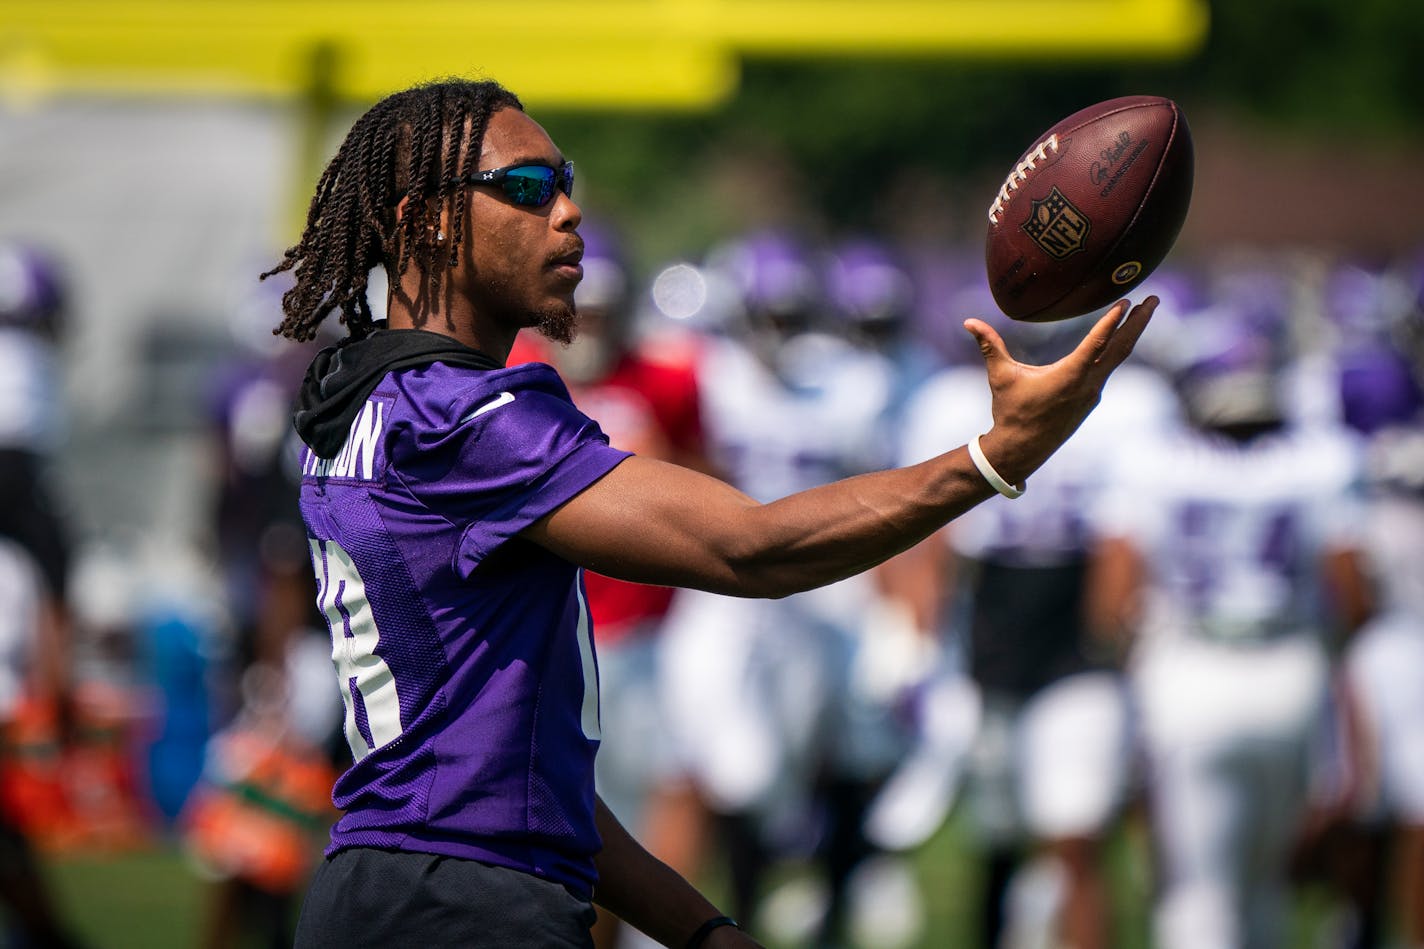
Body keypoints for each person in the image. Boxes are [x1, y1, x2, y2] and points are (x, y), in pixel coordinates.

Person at [260, 77, 1155, 949]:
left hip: (394, 886)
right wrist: (998, 455)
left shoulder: (376, 399)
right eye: (527, 190)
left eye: (565, 184)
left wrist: (703, 929)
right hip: (456, 908)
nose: (567, 213)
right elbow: (752, 549)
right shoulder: (460, 419)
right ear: (425, 220)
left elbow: (512, 784)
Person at [1085, 288, 1375, 949]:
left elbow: (1111, 601)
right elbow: (1354, 596)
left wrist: (1132, 664)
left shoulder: (1150, 460)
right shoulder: (1321, 460)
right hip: (1289, 669)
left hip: (1188, 669)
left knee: (1197, 886)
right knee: (1265, 879)